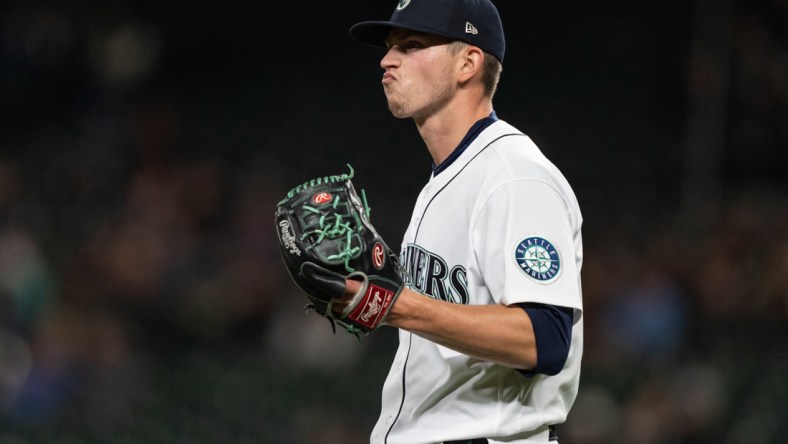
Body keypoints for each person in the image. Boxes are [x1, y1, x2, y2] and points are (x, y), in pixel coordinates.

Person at [342, 0, 584, 442]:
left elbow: (544, 339)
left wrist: (396, 306)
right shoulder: (451, 176)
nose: (386, 59)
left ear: (468, 62)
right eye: (390, 46)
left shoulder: (513, 176)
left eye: (411, 45)